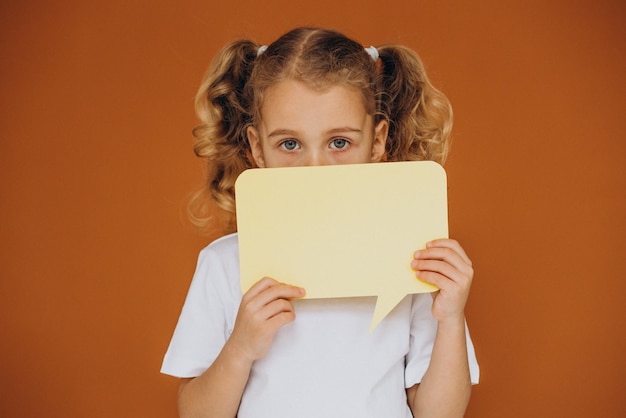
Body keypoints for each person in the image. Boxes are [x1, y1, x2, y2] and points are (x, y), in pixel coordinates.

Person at [161, 27, 479, 418]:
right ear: (258, 149)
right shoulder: (224, 263)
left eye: (339, 142)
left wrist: (450, 318)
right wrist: (241, 347)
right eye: (290, 144)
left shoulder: (413, 260)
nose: (315, 168)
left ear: (377, 142)